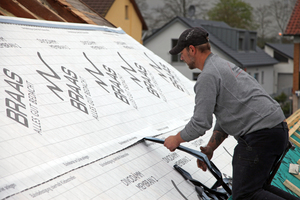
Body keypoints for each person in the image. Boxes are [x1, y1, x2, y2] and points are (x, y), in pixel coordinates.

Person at [164, 27, 299, 200]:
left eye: (181, 52)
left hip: (260, 136)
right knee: (257, 188)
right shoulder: (222, 65)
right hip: (276, 130)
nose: (180, 57)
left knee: (245, 195)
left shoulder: (208, 76)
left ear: (192, 49)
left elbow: (200, 123)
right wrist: (211, 148)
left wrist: (176, 139)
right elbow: (228, 114)